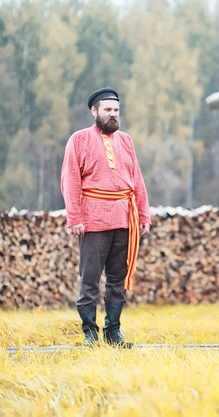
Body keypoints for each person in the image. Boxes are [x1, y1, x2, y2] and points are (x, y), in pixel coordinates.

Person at [60, 87, 151, 348]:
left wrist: (144, 214)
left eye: (116, 110)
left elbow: (137, 180)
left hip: (124, 218)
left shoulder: (126, 140)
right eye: (108, 110)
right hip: (93, 219)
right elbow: (70, 180)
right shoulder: (78, 139)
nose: (113, 115)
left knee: (117, 280)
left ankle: (114, 332)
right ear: (94, 111)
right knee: (90, 280)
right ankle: (90, 332)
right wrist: (74, 216)